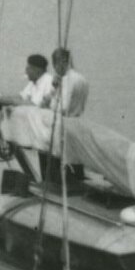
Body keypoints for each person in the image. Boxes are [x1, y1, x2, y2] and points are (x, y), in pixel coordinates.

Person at [49, 46, 90, 189]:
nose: (55, 70)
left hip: (65, 124)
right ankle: (79, 182)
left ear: (60, 62)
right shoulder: (82, 79)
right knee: (76, 158)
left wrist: (52, 99)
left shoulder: (67, 80)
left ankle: (62, 186)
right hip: (77, 121)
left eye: (55, 65)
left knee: (61, 158)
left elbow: (63, 106)